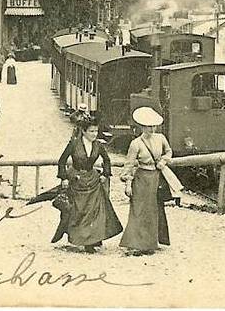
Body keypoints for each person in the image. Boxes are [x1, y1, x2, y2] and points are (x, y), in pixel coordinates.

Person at [53, 116, 123, 252]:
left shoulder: (98, 145)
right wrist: (64, 178)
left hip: (92, 179)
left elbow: (107, 160)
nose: (94, 134)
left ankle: (92, 241)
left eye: (96, 131)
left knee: (93, 211)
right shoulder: (74, 143)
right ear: (84, 131)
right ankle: (79, 238)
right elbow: (62, 161)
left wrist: (105, 174)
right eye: (91, 131)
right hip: (77, 179)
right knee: (78, 211)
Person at [120, 107, 173, 255]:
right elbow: (129, 164)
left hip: (156, 178)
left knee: (153, 210)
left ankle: (150, 243)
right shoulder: (136, 143)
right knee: (139, 210)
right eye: (148, 126)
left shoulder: (161, 138)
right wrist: (128, 184)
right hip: (141, 178)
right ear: (142, 126)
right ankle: (136, 243)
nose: (152, 129)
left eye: (153, 126)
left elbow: (169, 151)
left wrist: (164, 160)